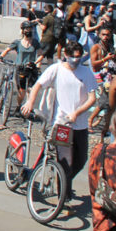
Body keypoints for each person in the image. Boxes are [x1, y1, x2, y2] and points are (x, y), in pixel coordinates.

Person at [21, 41, 98, 196]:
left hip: (80, 124)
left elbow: (92, 98)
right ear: (65, 56)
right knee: (65, 161)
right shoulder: (56, 69)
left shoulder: (86, 72)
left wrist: (77, 112)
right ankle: (64, 193)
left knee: (81, 160)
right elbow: (38, 85)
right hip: (61, 123)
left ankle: (61, 183)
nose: (75, 60)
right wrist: (30, 101)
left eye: (78, 57)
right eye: (72, 57)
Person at [0, 23, 39, 113]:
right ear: (22, 31)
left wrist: (36, 64)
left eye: (30, 28)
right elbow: (7, 49)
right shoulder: (17, 42)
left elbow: (40, 54)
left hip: (31, 68)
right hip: (20, 68)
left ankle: (29, 107)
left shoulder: (35, 42)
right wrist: (1, 56)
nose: (28, 30)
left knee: (31, 89)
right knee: (22, 90)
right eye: (26, 29)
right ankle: (18, 106)